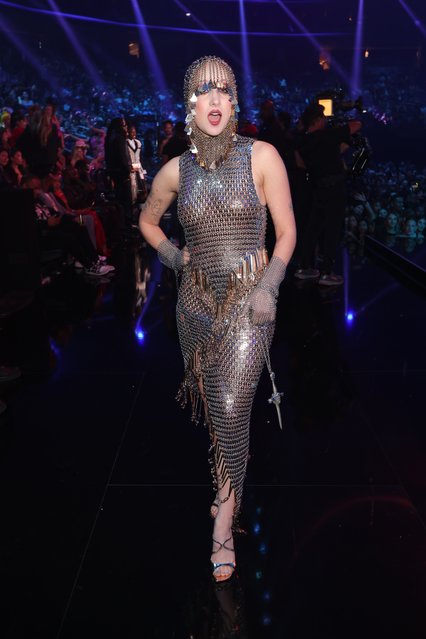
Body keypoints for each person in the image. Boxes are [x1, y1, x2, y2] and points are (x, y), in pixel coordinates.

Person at [139, 56, 296, 582]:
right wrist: (176, 258)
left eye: (223, 91)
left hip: (252, 303)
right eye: (203, 92)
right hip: (196, 307)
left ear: (234, 102)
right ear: (190, 105)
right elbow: (147, 219)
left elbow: (287, 234)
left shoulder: (263, 156)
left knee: (232, 408)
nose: (214, 101)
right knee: (215, 405)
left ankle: (223, 523)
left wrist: (269, 288)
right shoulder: (174, 170)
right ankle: (225, 490)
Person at [295, 103, 361, 286]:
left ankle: (305, 267)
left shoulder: (303, 141)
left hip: (318, 187)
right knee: (332, 229)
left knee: (313, 227)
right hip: (334, 189)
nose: (326, 119)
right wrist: (343, 121)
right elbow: (356, 125)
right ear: (317, 120)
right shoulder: (328, 135)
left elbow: (302, 164)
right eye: (323, 117)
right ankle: (326, 272)